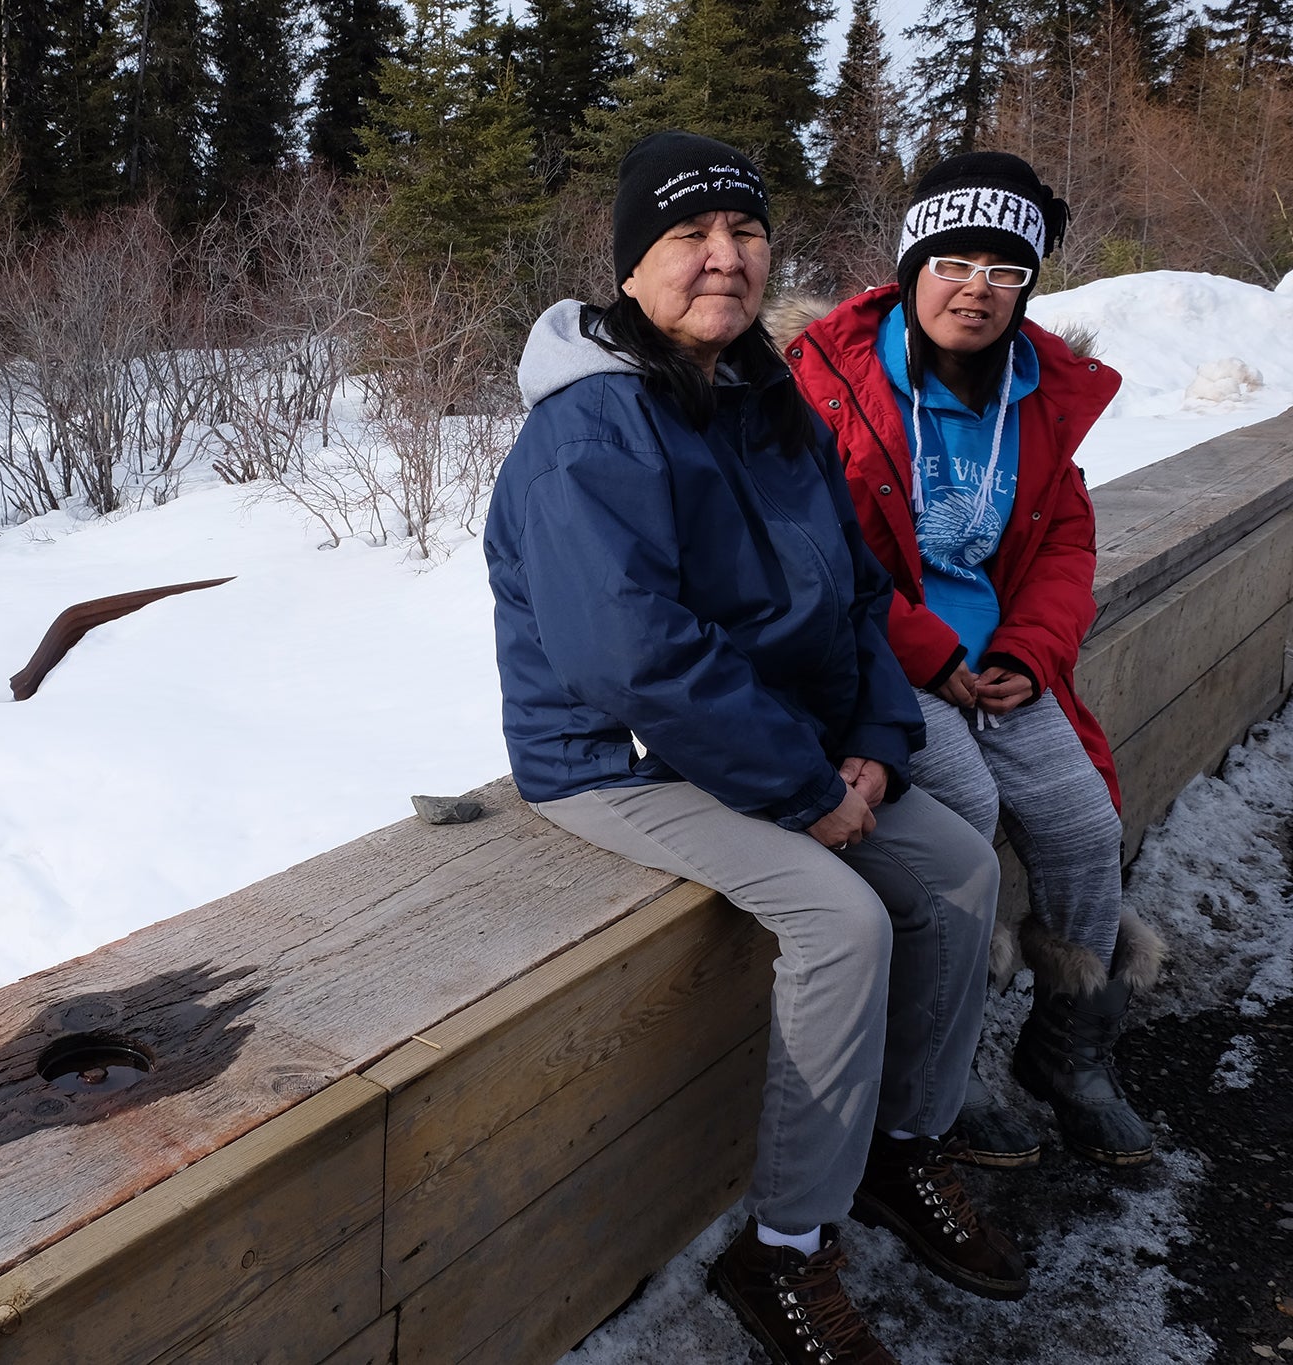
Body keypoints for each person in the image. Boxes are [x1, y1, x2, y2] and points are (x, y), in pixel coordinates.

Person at [485, 131, 1022, 1365]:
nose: (722, 258)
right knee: (841, 921)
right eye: (688, 236)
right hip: (616, 760)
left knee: (955, 869)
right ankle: (780, 1251)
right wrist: (798, 788)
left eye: (743, 232)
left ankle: (895, 1149)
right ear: (631, 267)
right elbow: (631, 660)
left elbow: (850, 590)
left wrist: (878, 745)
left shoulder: (758, 397)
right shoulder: (590, 433)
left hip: (769, 738)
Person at [787, 153, 1165, 1170]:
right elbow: (813, 540)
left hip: (996, 660)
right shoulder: (833, 385)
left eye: (1004, 270)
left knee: (1084, 823)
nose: (976, 288)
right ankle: (937, 1083)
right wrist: (922, 645)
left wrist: (1027, 650)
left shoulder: (1036, 394)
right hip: (879, 657)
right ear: (910, 266)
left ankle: (1066, 1054)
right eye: (952, 261)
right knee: (962, 827)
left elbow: (1064, 545)